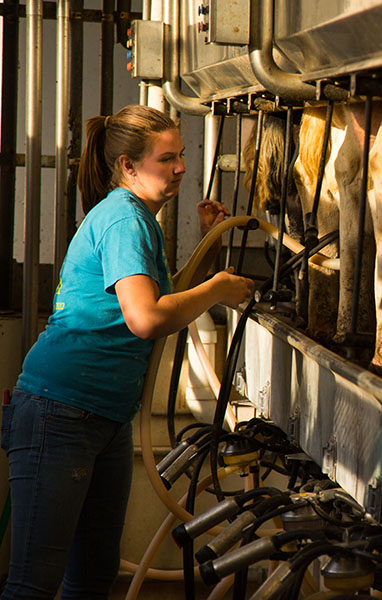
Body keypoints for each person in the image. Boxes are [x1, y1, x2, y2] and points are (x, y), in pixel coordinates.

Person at [0, 104, 253, 599]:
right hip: (62, 410)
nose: (181, 167)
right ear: (128, 166)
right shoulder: (123, 219)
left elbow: (160, 302)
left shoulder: (139, 219)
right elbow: (148, 319)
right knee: (35, 584)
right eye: (167, 158)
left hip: (102, 417)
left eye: (182, 156)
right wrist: (219, 287)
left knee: (95, 575)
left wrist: (210, 254)